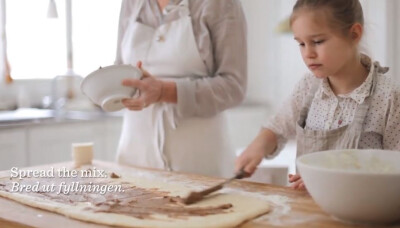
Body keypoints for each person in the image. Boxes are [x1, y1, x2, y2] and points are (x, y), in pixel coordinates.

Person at [235, 0, 400, 189]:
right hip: (307, 209)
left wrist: (327, 178)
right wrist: (257, 147)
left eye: (318, 42)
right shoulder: (308, 87)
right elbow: (278, 127)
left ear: (354, 34)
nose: (308, 53)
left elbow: (396, 170)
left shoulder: (389, 98)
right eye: (301, 44)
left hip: (364, 212)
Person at [115, 0, 247, 177]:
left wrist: (164, 91)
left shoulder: (221, 4)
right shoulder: (132, 3)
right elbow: (120, 68)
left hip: (198, 161)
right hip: (135, 155)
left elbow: (234, 86)